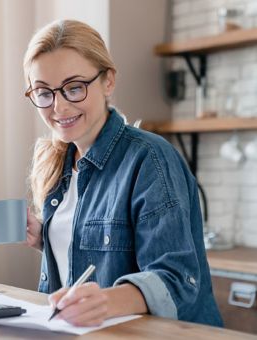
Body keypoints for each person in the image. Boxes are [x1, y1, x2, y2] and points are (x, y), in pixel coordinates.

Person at [23, 19, 223, 327]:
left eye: (74, 88)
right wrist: (46, 237)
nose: (58, 106)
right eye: (44, 92)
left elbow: (178, 279)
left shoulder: (150, 159)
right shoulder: (58, 162)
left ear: (108, 81)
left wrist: (105, 301)